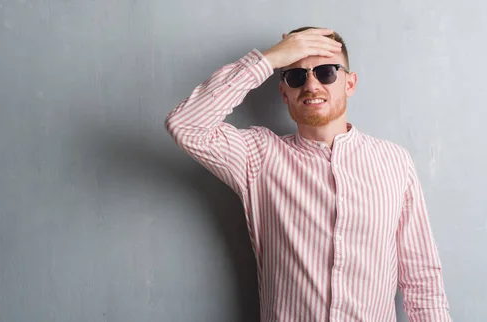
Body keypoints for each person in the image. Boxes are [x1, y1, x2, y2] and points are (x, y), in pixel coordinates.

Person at [164, 26, 452, 322]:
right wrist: (270, 59)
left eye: (326, 72)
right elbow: (186, 125)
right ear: (284, 92)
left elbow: (422, 280)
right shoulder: (260, 157)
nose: (312, 85)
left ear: (350, 84)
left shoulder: (394, 162)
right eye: (297, 76)